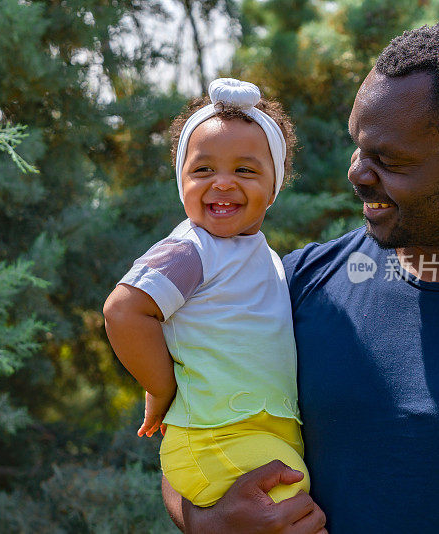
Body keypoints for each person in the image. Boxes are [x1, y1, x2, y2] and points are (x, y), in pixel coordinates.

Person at [163, 18, 439, 533]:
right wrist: (206, 521)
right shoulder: (292, 287)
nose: (357, 171)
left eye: (389, 159)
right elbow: (191, 429)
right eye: (359, 146)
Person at [104, 78, 310, 508]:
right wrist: (162, 388)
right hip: (213, 436)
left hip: (258, 435)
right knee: (293, 509)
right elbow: (124, 311)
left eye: (245, 170)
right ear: (181, 180)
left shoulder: (266, 258)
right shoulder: (191, 249)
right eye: (203, 169)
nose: (221, 183)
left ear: (277, 182)